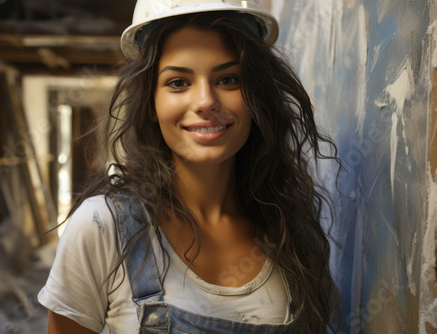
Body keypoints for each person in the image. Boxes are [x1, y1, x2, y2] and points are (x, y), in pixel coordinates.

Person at [38, 1, 342, 333]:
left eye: (228, 79)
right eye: (178, 83)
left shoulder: (290, 230)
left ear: (257, 97)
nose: (205, 102)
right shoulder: (102, 229)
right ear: (151, 104)